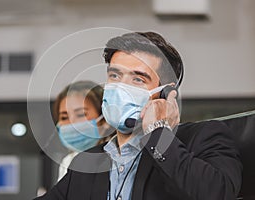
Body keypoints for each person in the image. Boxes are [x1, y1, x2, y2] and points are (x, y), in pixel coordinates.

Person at [34, 32, 242, 200]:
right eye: (115, 75)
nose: (120, 87)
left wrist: (159, 134)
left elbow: (218, 193)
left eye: (138, 80)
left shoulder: (202, 138)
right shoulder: (86, 163)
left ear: (165, 93)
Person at [52, 80, 114, 181]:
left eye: (81, 114)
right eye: (64, 117)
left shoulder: (118, 160)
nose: (72, 123)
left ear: (104, 120)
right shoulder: (68, 162)